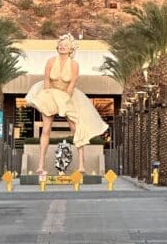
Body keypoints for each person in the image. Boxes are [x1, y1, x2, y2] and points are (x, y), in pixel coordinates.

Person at [25, 33, 107, 178]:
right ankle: (40, 165)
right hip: (50, 94)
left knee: (76, 128)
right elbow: (46, 81)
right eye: (61, 44)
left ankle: (82, 164)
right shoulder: (50, 61)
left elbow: (71, 85)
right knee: (46, 129)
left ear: (71, 49)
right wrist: (49, 97)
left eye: (66, 45)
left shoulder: (74, 65)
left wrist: (64, 103)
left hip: (68, 97)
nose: (62, 46)